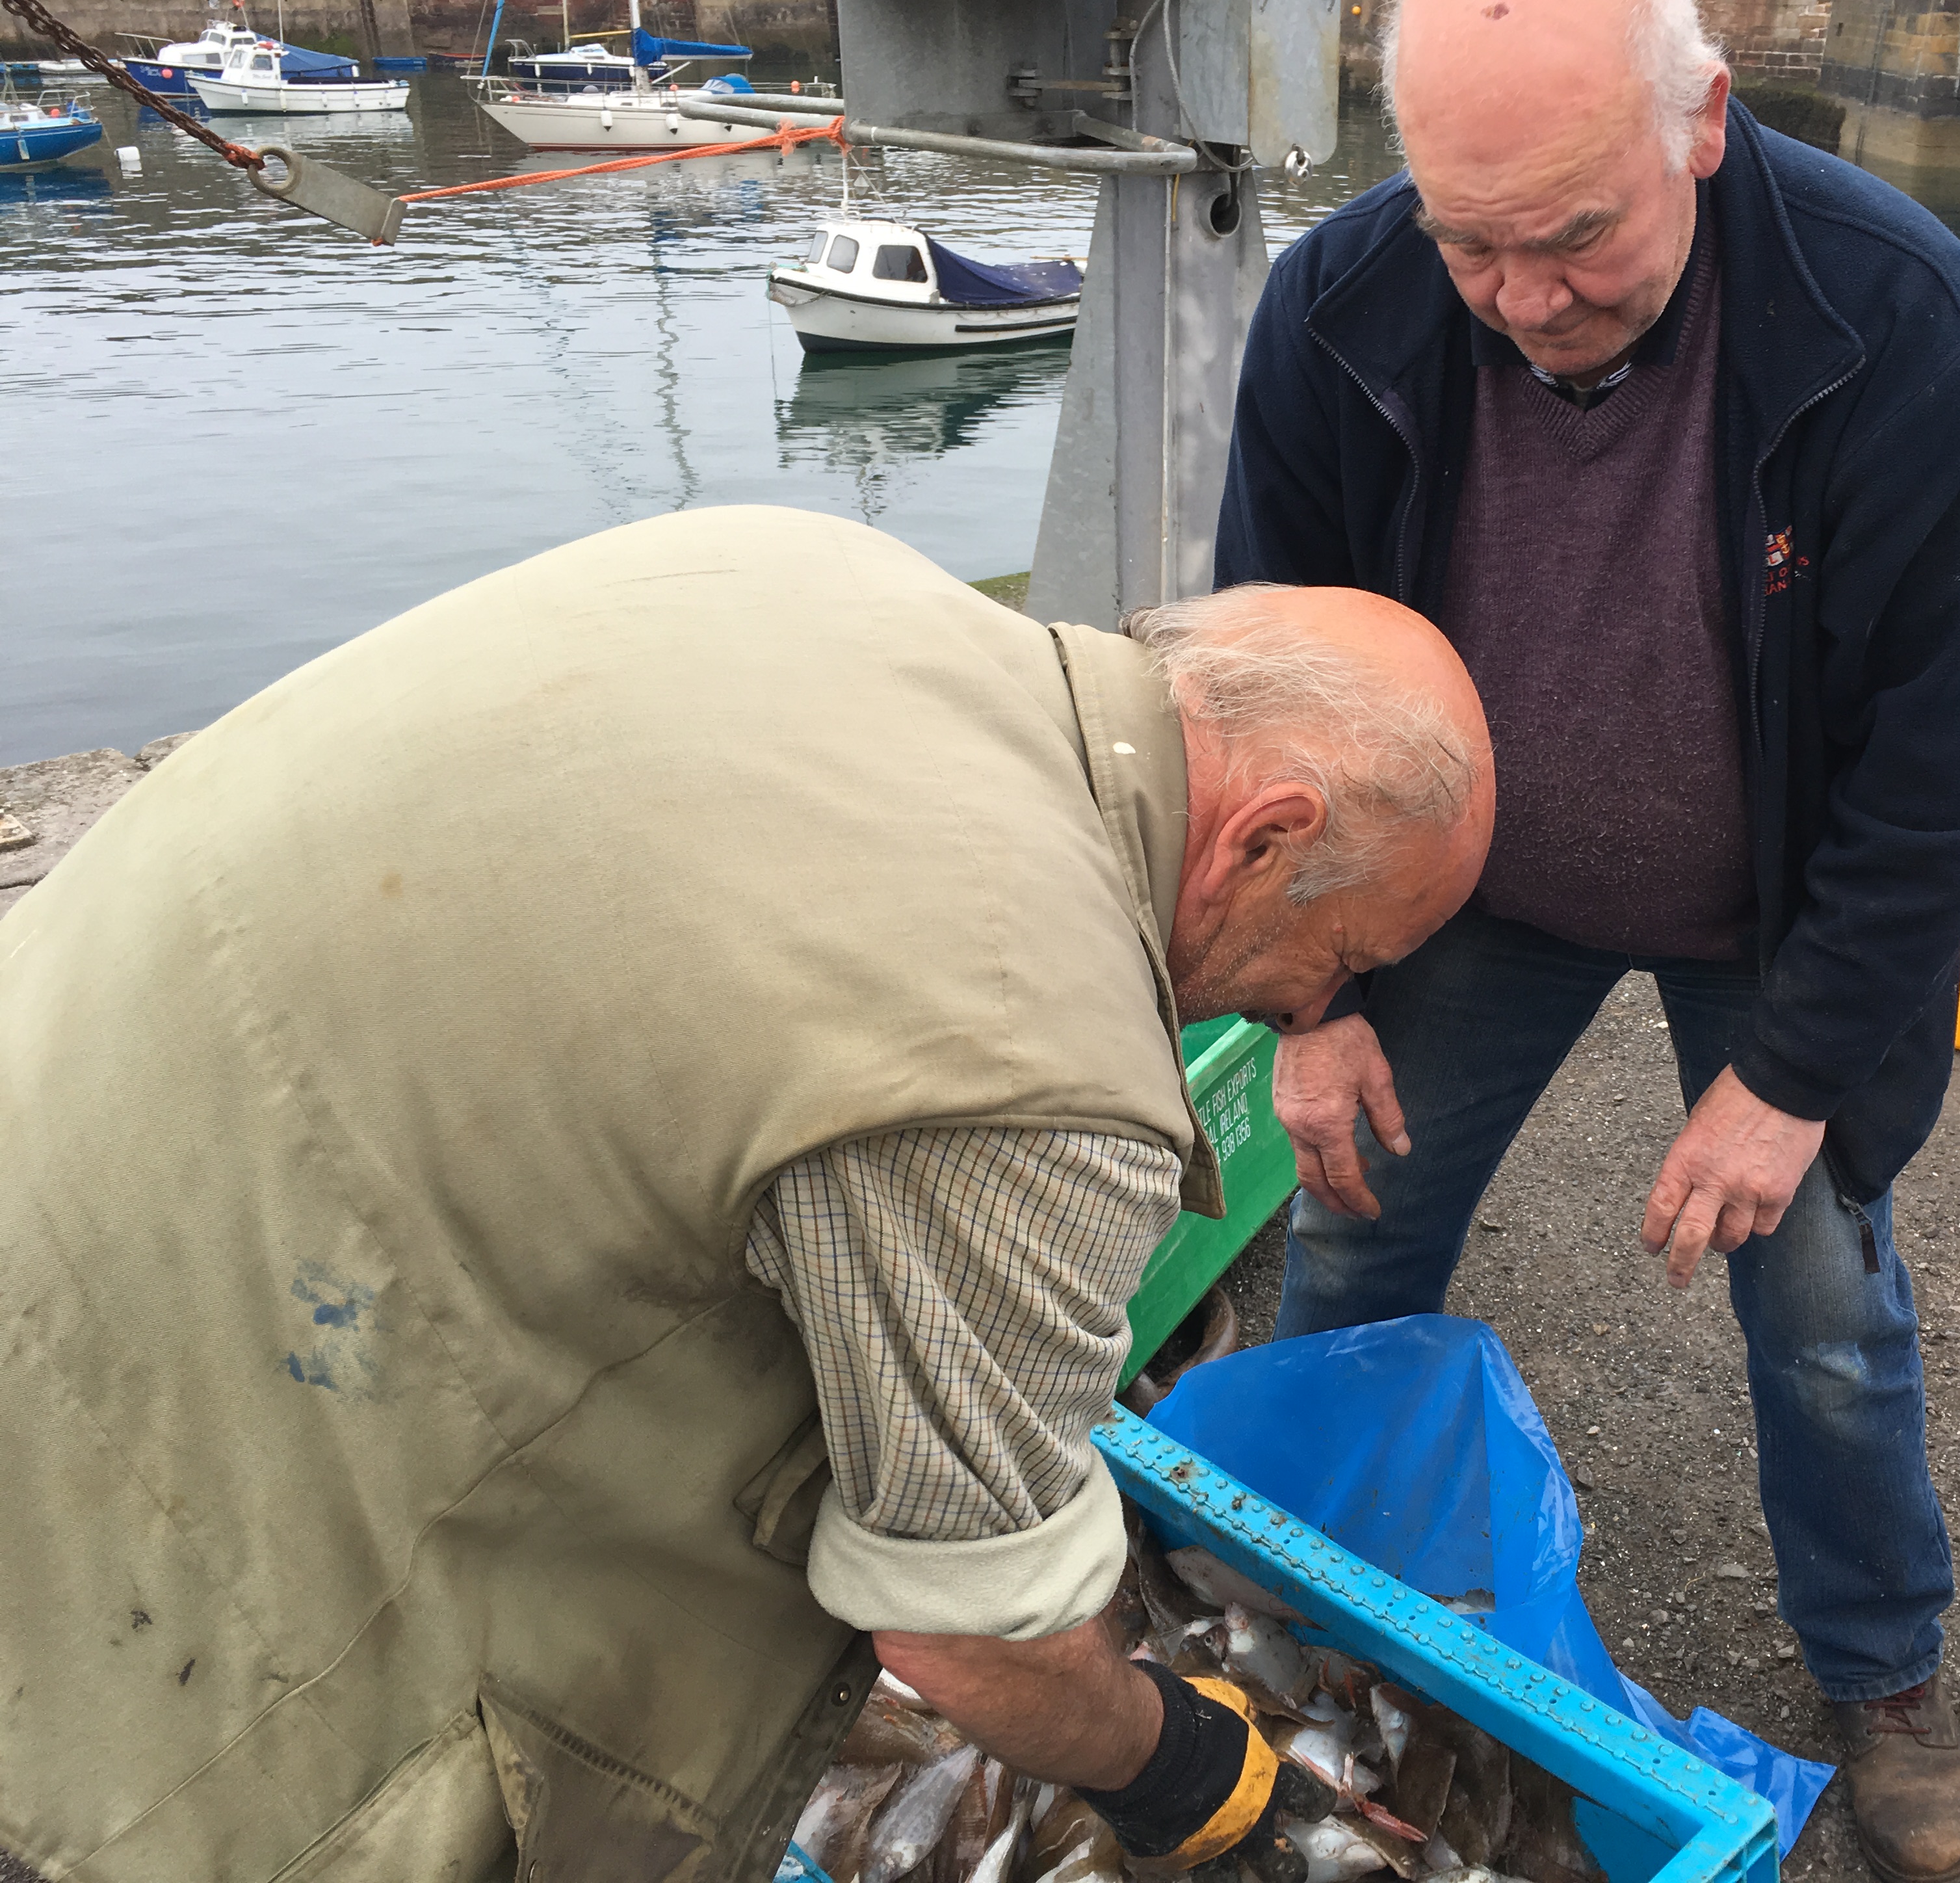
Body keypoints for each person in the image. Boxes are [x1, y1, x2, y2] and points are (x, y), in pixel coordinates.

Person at [0, 507, 1491, 1883]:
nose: (1312, 1007)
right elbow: (969, 1640)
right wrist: (1197, 1776)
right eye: (1346, 960)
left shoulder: (828, 571)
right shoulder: (1020, 1042)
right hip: (126, 1491)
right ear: (1265, 837)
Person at [1214, 0, 1960, 1875]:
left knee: (1824, 1311)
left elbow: (1951, 752)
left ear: (1703, 122)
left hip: (1775, 904)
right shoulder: (1339, 305)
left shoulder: (1897, 316)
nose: (1522, 300)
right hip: (1464, 891)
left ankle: (1885, 1676)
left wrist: (1796, 1073)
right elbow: (1262, 684)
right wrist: (1306, 1006)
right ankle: (1285, 1610)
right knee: (1343, 1233)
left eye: (1575, 236)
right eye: (1469, 243)